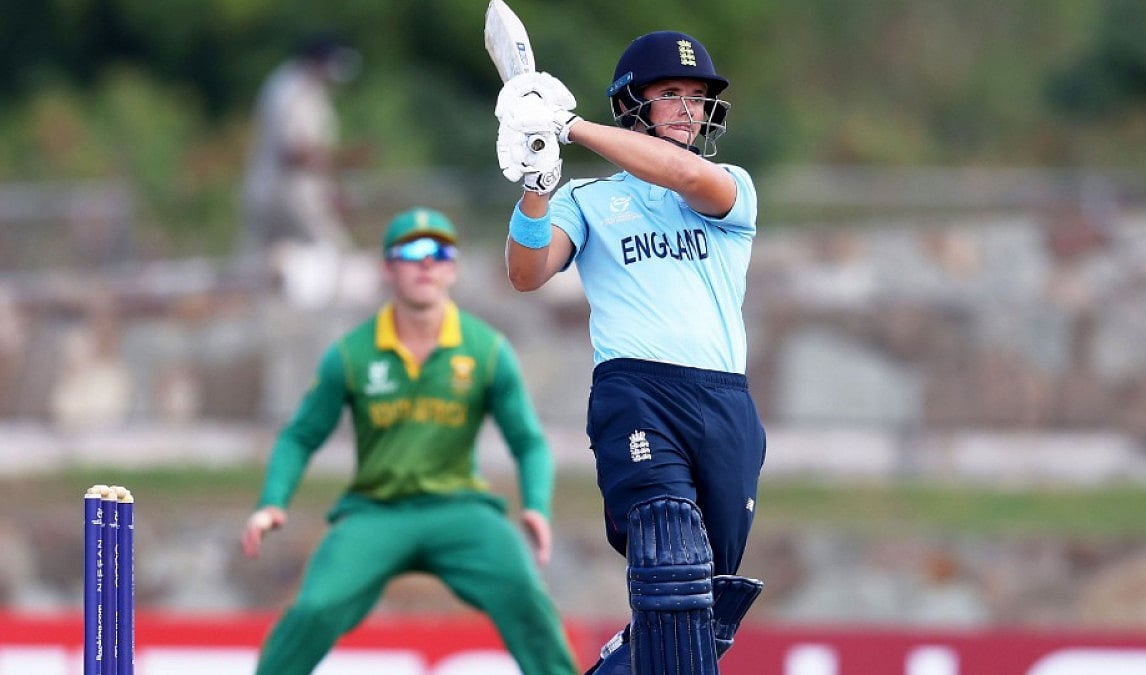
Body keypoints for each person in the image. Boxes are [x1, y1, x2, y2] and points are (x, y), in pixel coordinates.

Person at [492, 31, 765, 675]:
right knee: (669, 561)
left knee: (701, 611)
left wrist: (568, 126)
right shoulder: (587, 199)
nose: (687, 108)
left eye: (698, 98)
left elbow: (684, 173)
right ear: (632, 104)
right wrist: (536, 180)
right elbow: (528, 273)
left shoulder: (729, 186)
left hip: (726, 404)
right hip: (637, 393)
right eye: (669, 93)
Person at [240, 207, 579, 675]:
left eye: (439, 252)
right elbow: (301, 434)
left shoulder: (486, 349)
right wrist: (272, 501)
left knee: (526, 597)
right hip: (376, 511)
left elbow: (528, 440)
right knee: (314, 609)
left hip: (460, 509)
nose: (426, 263)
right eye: (412, 252)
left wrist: (537, 506)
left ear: (453, 269)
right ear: (387, 268)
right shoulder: (353, 353)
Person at [239, 33, 363, 272]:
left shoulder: (307, 90)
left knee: (263, 267)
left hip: (285, 192)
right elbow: (294, 152)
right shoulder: (290, 89)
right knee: (335, 254)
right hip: (284, 193)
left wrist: (333, 188)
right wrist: (341, 161)